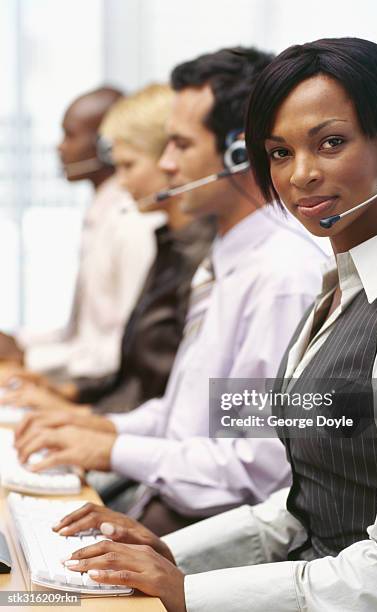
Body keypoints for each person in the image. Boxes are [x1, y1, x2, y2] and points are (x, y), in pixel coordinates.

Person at [48, 38, 377, 612]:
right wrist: (172, 553)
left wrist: (190, 589)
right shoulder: (339, 291)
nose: (301, 175)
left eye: (331, 143)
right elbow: (306, 500)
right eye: (281, 152)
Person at [14, 47, 326, 535]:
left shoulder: (282, 279)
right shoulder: (228, 259)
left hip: (214, 528)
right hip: (171, 501)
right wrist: (103, 428)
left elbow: (256, 466)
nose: (166, 163)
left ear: (238, 153)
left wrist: (113, 448)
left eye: (179, 145)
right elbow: (191, 413)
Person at [1, 84, 214, 414]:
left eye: (128, 166)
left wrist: (81, 416)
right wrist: (71, 401)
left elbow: (238, 433)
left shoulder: (141, 229)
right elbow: (148, 383)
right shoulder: (169, 242)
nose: (122, 180)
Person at [0, 87, 159, 380]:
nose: (60, 147)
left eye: (70, 135)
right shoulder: (101, 212)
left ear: (105, 146)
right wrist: (19, 343)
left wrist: (27, 357)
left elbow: (121, 349)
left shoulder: (132, 221)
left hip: (106, 396)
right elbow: (82, 335)